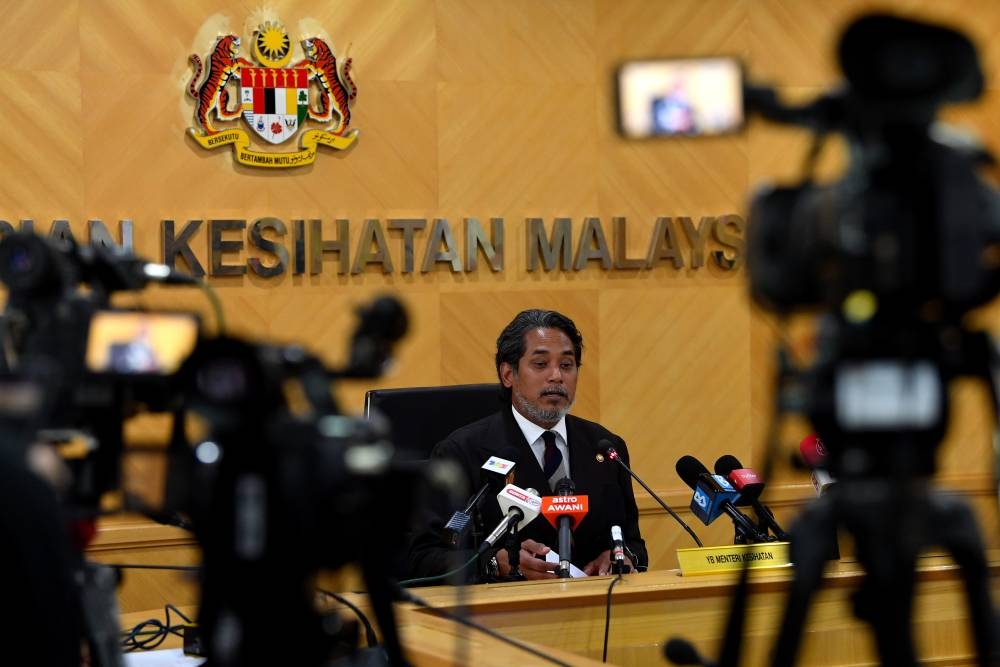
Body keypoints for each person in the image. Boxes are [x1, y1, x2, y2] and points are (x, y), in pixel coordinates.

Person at [406, 309, 647, 581]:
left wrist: (621, 556)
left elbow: (635, 545)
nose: (557, 376)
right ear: (508, 374)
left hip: (596, 611)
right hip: (505, 615)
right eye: (541, 364)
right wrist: (494, 563)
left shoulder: (606, 449)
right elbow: (423, 559)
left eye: (567, 365)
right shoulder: (462, 452)